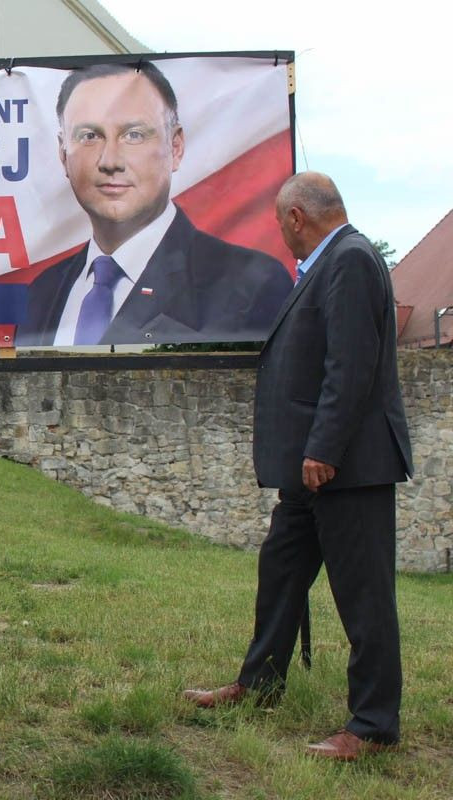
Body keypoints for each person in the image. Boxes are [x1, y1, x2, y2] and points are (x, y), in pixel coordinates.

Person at [182, 172, 413, 761]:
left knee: (364, 597)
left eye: (280, 227)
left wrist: (323, 448)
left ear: (295, 218)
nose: (282, 239)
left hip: (346, 466)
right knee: (281, 570)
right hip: (312, 472)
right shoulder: (334, 263)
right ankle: (259, 684)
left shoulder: (352, 260)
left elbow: (351, 365)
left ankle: (372, 726)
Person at [16, 61, 292, 346]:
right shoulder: (41, 294)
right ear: (63, 155)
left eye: (134, 135)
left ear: (175, 147)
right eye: (90, 136)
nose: (110, 161)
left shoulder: (250, 285)